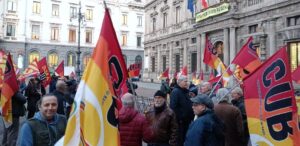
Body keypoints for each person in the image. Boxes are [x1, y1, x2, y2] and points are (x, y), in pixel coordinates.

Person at [170, 75, 194, 146]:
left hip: (187, 121)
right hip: (180, 122)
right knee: (180, 140)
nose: (187, 83)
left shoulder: (185, 91)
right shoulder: (176, 92)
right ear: (179, 82)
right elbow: (173, 107)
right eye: (185, 81)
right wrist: (181, 117)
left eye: (187, 81)